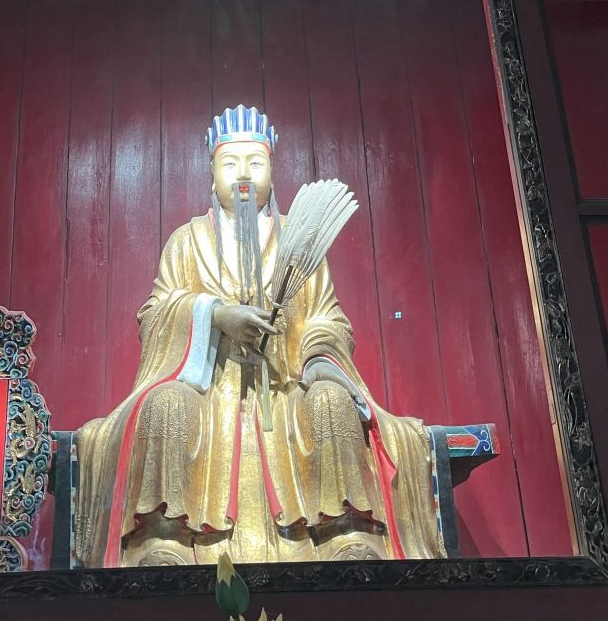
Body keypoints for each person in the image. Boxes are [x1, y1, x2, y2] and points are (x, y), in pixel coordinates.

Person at [74, 106, 444, 567]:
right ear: (212, 172)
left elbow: (327, 320)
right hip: (208, 393)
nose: (244, 174)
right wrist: (213, 315)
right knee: (166, 405)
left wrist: (313, 358)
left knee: (331, 402)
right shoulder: (187, 241)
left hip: (285, 390)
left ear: (272, 169)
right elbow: (154, 315)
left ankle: (342, 530)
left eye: (256, 162)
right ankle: (166, 535)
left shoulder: (300, 242)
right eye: (230, 163)